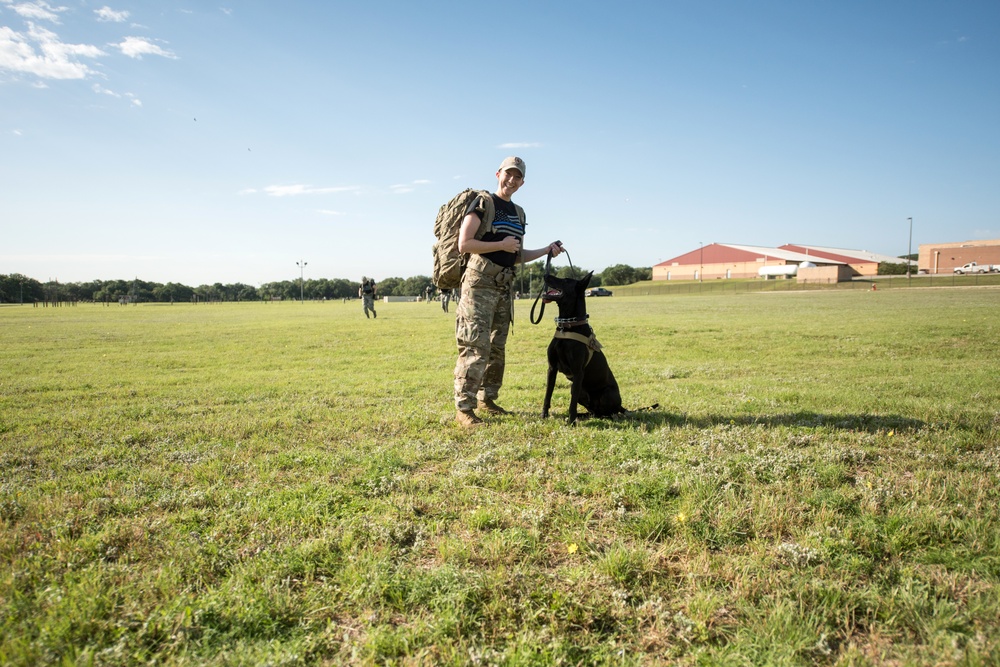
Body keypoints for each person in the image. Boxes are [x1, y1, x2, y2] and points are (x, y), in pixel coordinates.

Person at [453, 156, 565, 427]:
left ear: (522, 182)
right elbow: (464, 243)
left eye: (518, 177)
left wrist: (545, 250)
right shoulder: (483, 203)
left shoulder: (519, 213)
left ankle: (486, 400)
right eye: (508, 174)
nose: (512, 180)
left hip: (504, 286)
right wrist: (500, 244)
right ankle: (464, 409)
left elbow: (515, 254)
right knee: (476, 345)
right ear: (498, 174)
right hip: (479, 284)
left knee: (496, 349)